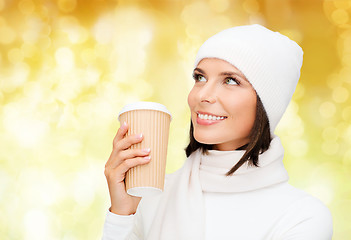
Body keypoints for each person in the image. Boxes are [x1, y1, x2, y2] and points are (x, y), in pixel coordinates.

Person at [102, 24, 333, 240]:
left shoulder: (301, 216)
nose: (203, 95)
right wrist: (122, 215)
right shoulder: (150, 197)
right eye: (200, 77)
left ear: (266, 104)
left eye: (231, 80)